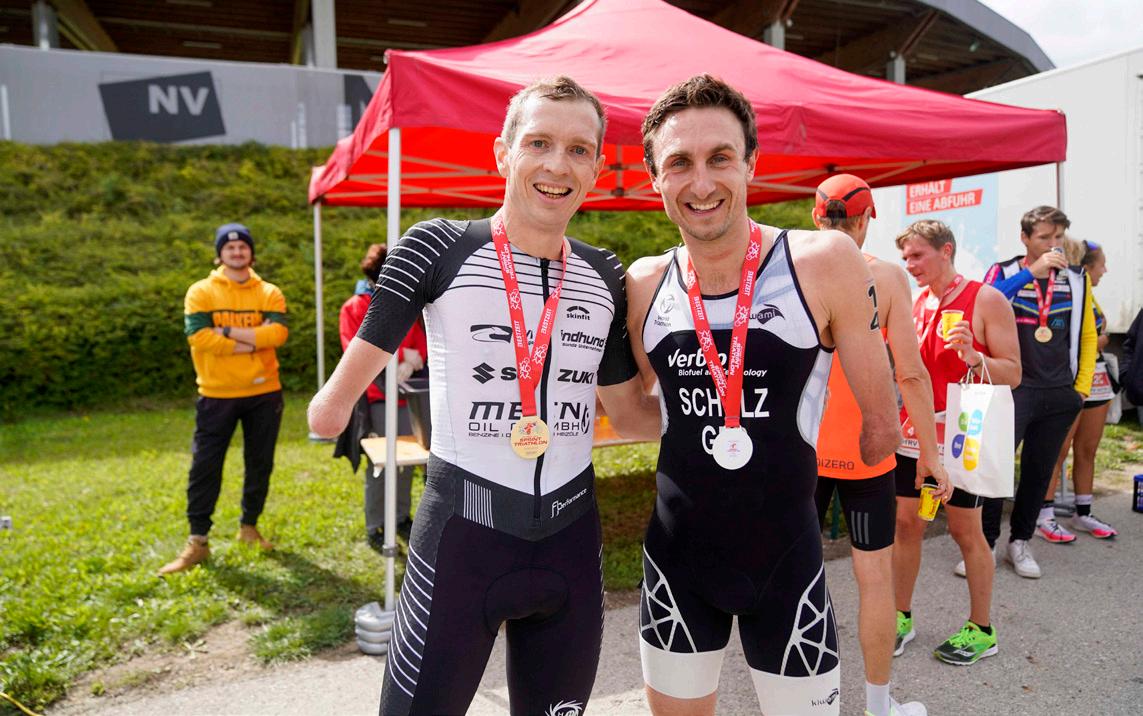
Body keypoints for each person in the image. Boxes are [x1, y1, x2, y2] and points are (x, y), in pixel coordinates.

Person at [308, 76, 661, 716]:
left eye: (579, 150)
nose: (558, 165)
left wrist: (729, 404)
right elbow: (331, 406)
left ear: (597, 168)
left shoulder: (605, 274)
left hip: (571, 547)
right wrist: (339, 395)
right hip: (462, 545)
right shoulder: (437, 247)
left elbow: (634, 417)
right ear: (502, 153)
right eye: (539, 143)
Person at [627, 75, 900, 716]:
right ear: (654, 178)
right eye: (679, 163)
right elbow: (636, 414)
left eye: (720, 157)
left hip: (787, 568)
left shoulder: (824, 260)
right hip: (676, 566)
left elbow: (881, 426)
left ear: (751, 162)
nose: (701, 182)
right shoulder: (643, 282)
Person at [811, 176, 946, 715]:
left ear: (816, 217)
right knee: (874, 580)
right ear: (867, 220)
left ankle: (804, 700)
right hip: (870, 451)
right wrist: (930, 455)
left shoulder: (792, 267)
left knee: (797, 577)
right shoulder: (887, 277)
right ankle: (877, 706)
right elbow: (910, 374)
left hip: (803, 452)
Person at [891, 220, 1020, 667]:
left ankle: (982, 629)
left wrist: (975, 357)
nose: (910, 265)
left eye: (917, 255)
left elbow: (1014, 372)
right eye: (905, 258)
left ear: (946, 250)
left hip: (963, 432)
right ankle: (900, 617)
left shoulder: (986, 298)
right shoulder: (916, 302)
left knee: (965, 529)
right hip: (916, 434)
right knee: (906, 524)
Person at [159, 223, 288, 576]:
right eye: (229, 248)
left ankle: (249, 527)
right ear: (219, 254)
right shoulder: (201, 291)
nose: (236, 252)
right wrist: (252, 340)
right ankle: (198, 541)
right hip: (216, 394)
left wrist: (227, 331)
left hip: (264, 392)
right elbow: (199, 338)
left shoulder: (269, 292)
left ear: (251, 253)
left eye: (242, 247)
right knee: (205, 467)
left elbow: (277, 334)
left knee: (259, 462)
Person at [982, 206, 1096, 578]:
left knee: (1038, 472)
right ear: (1025, 238)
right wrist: (1031, 273)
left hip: (1059, 391)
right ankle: (986, 543)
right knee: (996, 470)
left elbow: (1088, 334)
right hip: (1014, 389)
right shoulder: (1005, 272)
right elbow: (983, 302)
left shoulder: (1077, 278)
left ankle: (1020, 541)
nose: (1053, 245)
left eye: (1058, 237)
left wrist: (1080, 390)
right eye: (1044, 237)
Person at [334, 244, 427, 550]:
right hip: (375, 396)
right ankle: (375, 525)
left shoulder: (407, 303)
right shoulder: (355, 306)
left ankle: (400, 517)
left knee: (407, 460)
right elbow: (352, 349)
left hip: (407, 396)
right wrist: (397, 357)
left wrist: (413, 358)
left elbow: (422, 340)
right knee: (381, 463)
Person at [1040, 238, 1118, 540]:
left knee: (1087, 449)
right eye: (1101, 265)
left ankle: (1083, 512)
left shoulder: (1089, 292)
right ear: (1085, 267)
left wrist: (1098, 340)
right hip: (1071, 381)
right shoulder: (1065, 290)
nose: (1104, 271)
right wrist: (1097, 340)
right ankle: (1044, 514)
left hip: (1097, 379)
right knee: (1057, 450)